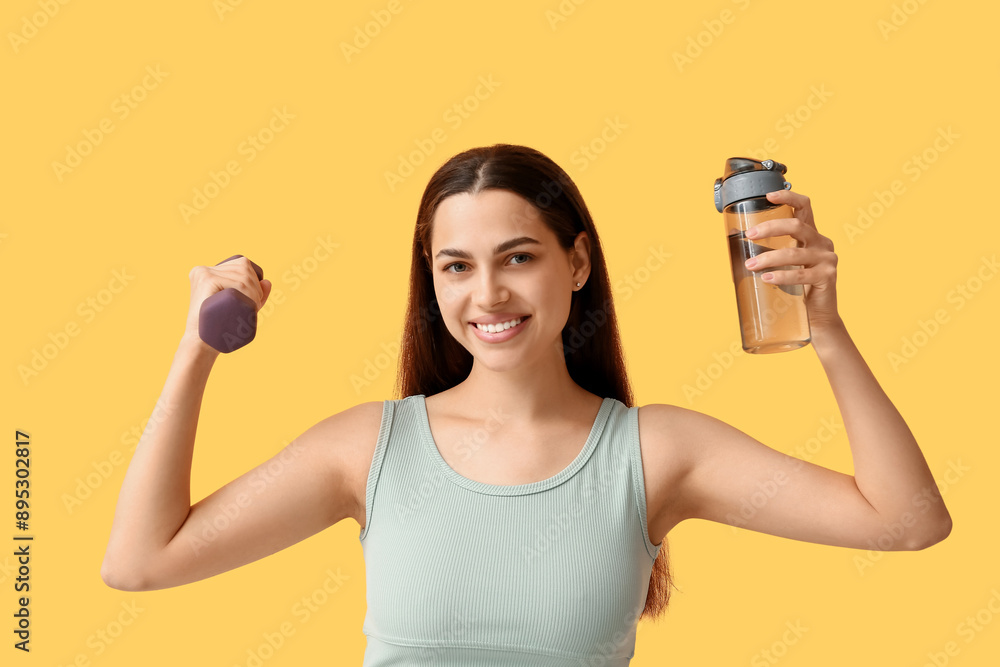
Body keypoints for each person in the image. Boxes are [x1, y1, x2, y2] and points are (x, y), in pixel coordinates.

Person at [101, 144, 952, 665]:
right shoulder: (368, 449)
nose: (489, 294)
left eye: (518, 257)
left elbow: (906, 519)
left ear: (576, 263)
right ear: (431, 278)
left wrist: (826, 328)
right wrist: (195, 352)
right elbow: (141, 560)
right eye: (457, 265)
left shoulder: (656, 453)